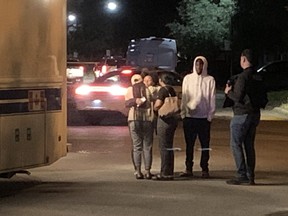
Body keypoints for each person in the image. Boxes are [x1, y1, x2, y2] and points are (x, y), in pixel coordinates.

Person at [224, 49, 260, 185]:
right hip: (255, 114)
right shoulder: (257, 76)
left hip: (241, 114)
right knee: (249, 145)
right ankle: (251, 175)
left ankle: (241, 174)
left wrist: (228, 92)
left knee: (236, 144)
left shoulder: (242, 77)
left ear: (244, 59)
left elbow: (238, 97)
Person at [180, 56, 216, 178]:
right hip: (189, 118)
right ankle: (188, 168)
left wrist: (210, 116)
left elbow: (212, 98)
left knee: (205, 145)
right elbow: (184, 97)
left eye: (201, 65)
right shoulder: (188, 79)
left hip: (204, 118)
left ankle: (204, 168)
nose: (199, 67)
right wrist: (183, 114)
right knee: (189, 145)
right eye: (197, 64)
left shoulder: (210, 80)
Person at [125, 74, 155, 180]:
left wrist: (134, 100)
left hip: (134, 119)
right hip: (147, 120)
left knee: (137, 146)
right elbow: (152, 100)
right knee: (147, 146)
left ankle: (138, 171)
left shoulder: (129, 89)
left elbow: (126, 103)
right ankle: (147, 171)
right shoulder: (148, 90)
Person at [153, 73, 178, 180]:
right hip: (173, 119)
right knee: (169, 146)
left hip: (164, 120)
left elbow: (158, 104)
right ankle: (170, 171)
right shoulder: (172, 90)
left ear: (161, 80)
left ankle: (164, 173)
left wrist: (154, 108)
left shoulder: (162, 90)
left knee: (163, 146)